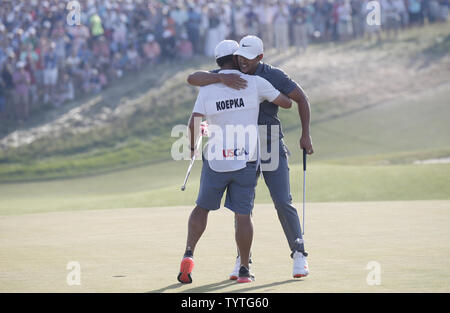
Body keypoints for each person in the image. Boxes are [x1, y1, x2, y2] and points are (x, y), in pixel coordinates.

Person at [187, 35, 313, 279]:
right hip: (242, 146)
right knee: (241, 208)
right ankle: (243, 262)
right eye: (239, 57)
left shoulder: (272, 75)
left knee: (282, 200)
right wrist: (220, 77)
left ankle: (299, 254)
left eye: (247, 58)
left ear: (259, 57)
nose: (242, 62)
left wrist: (306, 134)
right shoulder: (231, 71)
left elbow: (299, 99)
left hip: (269, 141)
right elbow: (193, 78)